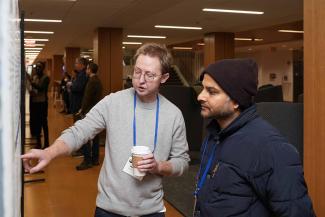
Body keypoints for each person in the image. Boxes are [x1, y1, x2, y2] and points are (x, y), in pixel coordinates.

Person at [22, 43, 190, 217]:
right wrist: (49, 152)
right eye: (137, 72)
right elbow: (80, 131)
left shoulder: (173, 115)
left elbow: (182, 161)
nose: (140, 80)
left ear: (164, 78)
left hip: (151, 211)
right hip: (109, 209)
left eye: (150, 75)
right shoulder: (113, 102)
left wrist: (159, 166)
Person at [194, 58, 315, 217]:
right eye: (203, 89)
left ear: (236, 101)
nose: (200, 97)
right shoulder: (214, 135)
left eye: (212, 91)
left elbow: (296, 211)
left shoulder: (270, 147)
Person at [75, 62, 103, 170]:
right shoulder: (98, 81)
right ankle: (95, 159)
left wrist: (82, 109)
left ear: (90, 70)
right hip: (96, 112)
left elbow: (87, 97)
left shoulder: (91, 82)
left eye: (87, 69)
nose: (86, 71)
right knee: (95, 136)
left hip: (89, 112)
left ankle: (87, 160)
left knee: (86, 135)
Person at [29, 61, 50, 149]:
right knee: (36, 123)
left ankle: (46, 143)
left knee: (43, 123)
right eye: (36, 67)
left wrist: (31, 82)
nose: (37, 68)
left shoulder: (46, 78)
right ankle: (38, 142)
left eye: (39, 67)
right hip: (34, 102)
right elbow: (33, 88)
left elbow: (41, 88)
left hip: (42, 103)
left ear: (43, 68)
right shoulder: (35, 77)